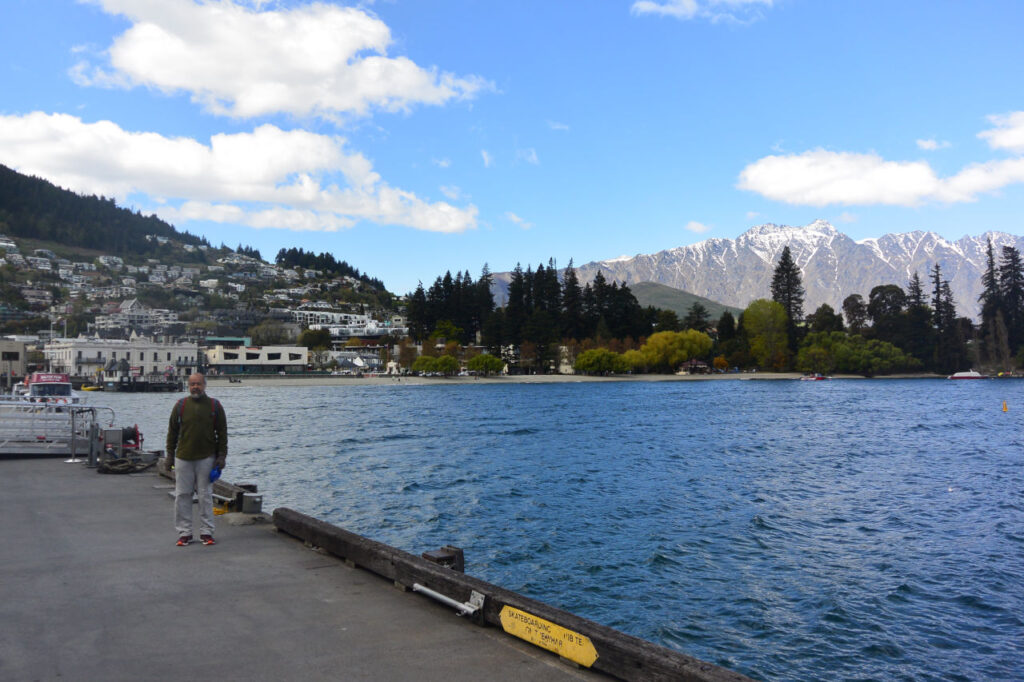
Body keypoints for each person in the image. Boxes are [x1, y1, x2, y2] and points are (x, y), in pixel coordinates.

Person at [166, 373, 227, 547]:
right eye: (192, 384)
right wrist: (169, 454)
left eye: (198, 384)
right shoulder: (180, 406)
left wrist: (222, 456)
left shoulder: (215, 406)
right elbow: (172, 432)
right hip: (183, 458)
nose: (195, 387)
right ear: (188, 386)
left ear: (205, 385)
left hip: (207, 458)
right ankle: (184, 533)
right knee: (182, 496)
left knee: (205, 496)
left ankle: (207, 532)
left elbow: (222, 433)